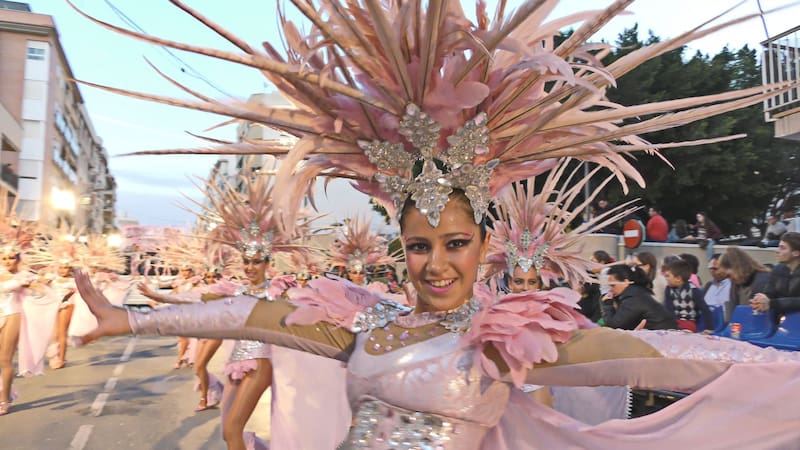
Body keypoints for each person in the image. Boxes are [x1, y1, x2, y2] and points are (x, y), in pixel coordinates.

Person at [67, 0, 800, 447]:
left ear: (483, 245)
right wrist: (132, 322)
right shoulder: (365, 322)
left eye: (455, 243)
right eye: (420, 245)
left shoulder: (503, 339)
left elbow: (661, 355)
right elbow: (255, 315)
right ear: (402, 249)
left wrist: (779, 368)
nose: (436, 263)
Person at [601, 264, 678, 331]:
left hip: (660, 337)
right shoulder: (637, 293)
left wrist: (607, 304)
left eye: (613, 285)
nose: (610, 289)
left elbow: (614, 326)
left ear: (626, 282)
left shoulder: (633, 299)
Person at [751, 232, 800, 320]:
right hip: (779, 319)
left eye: (782, 248)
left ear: (796, 253)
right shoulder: (777, 270)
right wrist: (760, 300)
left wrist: (772, 303)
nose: (777, 251)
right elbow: (769, 293)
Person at [718, 247, 771, 322]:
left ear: (737, 267)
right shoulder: (736, 284)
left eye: (729, 275)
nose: (730, 279)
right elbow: (732, 315)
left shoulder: (763, 280)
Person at [662, 259, 712, 332]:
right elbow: (668, 308)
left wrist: (709, 328)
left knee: (684, 329)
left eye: (668, 276)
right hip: (674, 321)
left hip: (688, 321)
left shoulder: (693, 290)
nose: (666, 279)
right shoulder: (668, 289)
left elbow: (704, 309)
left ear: (678, 278)